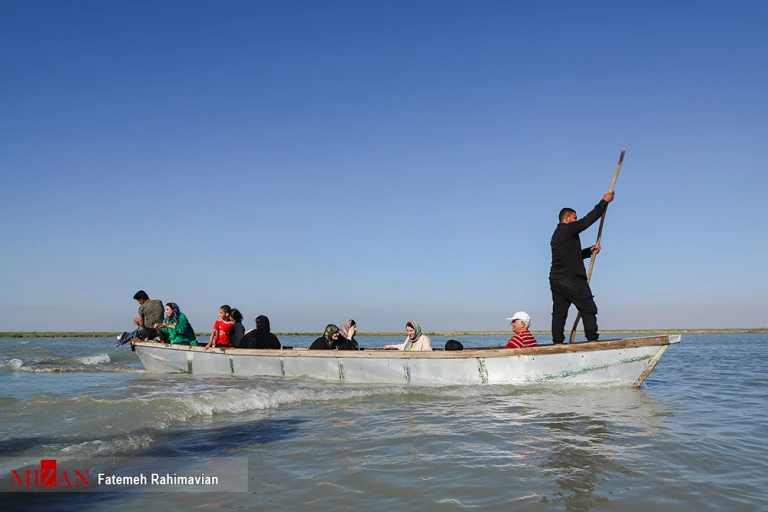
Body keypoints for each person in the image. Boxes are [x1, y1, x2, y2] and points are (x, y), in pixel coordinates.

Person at [550, 191, 615, 344]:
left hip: (556, 280)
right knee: (588, 307)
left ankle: (557, 343)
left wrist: (588, 251)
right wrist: (604, 202)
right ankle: (592, 340)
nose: (576, 220)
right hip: (571, 279)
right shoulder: (567, 228)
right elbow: (588, 221)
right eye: (574, 218)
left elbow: (572, 256)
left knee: (559, 313)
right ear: (566, 219)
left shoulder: (558, 234)